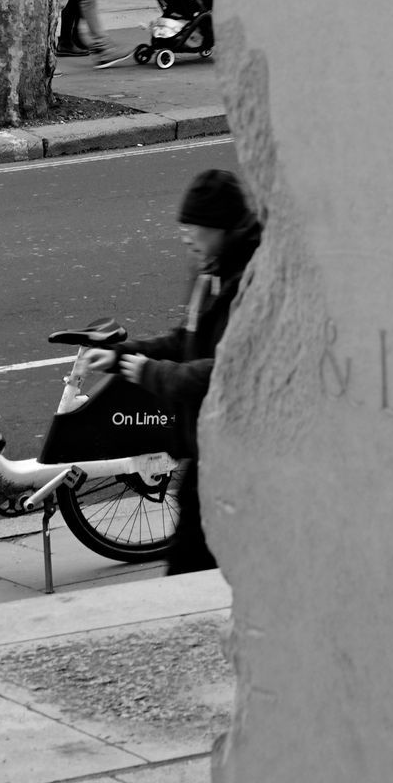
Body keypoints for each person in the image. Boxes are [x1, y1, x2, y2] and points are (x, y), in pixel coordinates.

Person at [79, 167, 261, 574]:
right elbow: (185, 342)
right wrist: (122, 355)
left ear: (220, 226)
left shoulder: (252, 282)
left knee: (194, 571)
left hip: (247, 463)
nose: (185, 235)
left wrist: (151, 373)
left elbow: (227, 371)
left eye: (193, 226)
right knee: (193, 568)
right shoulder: (212, 272)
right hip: (212, 456)